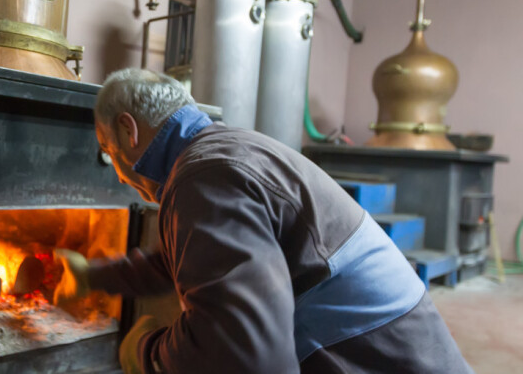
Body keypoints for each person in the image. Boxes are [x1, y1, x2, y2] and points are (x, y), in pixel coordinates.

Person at [53, 68, 471, 374]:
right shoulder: (220, 153)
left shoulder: (201, 178)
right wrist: (93, 275)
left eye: (109, 151)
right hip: (399, 342)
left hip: (381, 353)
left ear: (129, 131)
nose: (118, 171)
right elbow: (188, 260)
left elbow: (241, 354)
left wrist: (144, 354)